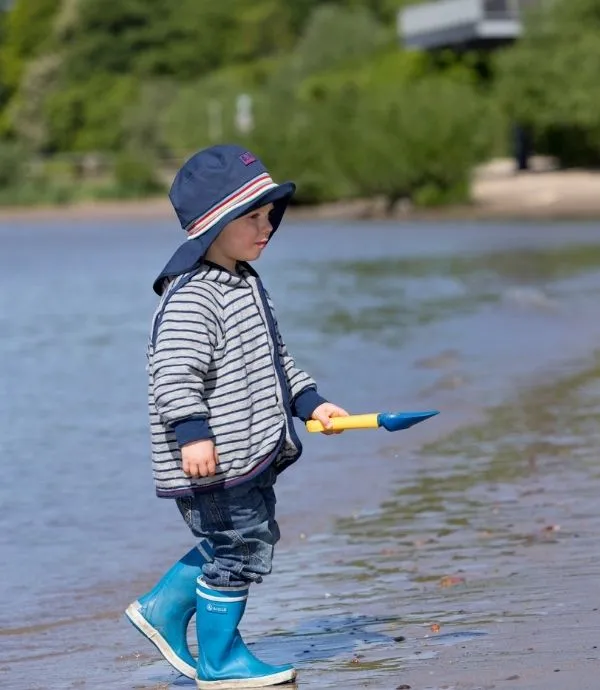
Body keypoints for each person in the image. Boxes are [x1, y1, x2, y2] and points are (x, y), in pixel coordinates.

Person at [125, 144, 349, 688]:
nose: (266, 225)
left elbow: (275, 357)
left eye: (270, 213)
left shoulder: (244, 282)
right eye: (251, 216)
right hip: (211, 458)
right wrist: (192, 434)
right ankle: (219, 660)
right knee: (241, 546)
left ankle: (162, 608)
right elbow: (173, 375)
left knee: (241, 538)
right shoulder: (193, 297)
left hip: (247, 453)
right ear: (213, 225)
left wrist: (309, 402)